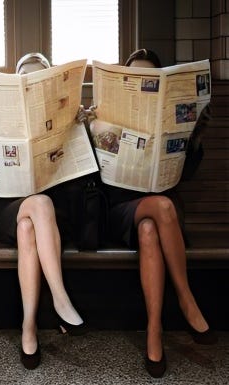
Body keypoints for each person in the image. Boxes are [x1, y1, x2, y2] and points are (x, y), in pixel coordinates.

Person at [88, 48, 216, 378]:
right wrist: (91, 129)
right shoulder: (107, 113)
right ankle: (187, 299)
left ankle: (154, 331)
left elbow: (184, 175)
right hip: (118, 208)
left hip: (162, 214)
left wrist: (194, 138)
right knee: (161, 207)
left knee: (150, 228)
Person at [0, 53, 86, 370]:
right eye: (24, 77)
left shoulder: (66, 117)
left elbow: (83, 175)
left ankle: (28, 327)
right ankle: (60, 298)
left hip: (50, 215)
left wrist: (80, 130)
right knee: (37, 204)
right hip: (3, 205)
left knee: (30, 224)